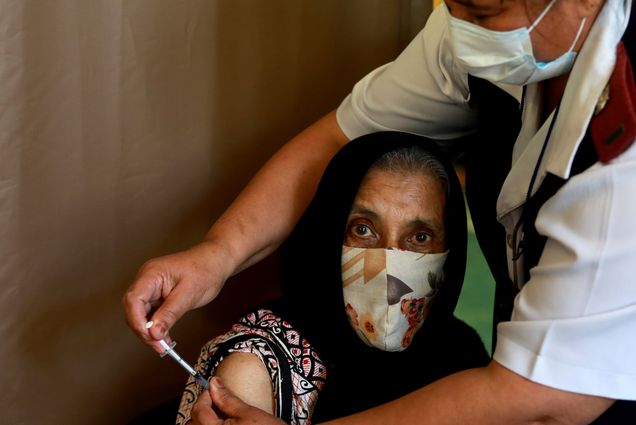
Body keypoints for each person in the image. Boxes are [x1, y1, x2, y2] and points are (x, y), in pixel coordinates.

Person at [123, 0, 635, 422]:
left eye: (419, 238)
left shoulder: (622, 167)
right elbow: (342, 137)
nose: (461, 34)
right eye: (364, 228)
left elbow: (544, 399)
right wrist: (218, 254)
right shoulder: (265, 354)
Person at [174, 132, 489, 424]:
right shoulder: (262, 364)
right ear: (327, 232)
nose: (391, 262)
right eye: (363, 229)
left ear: (450, 249)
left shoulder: (460, 353)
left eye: (420, 237)